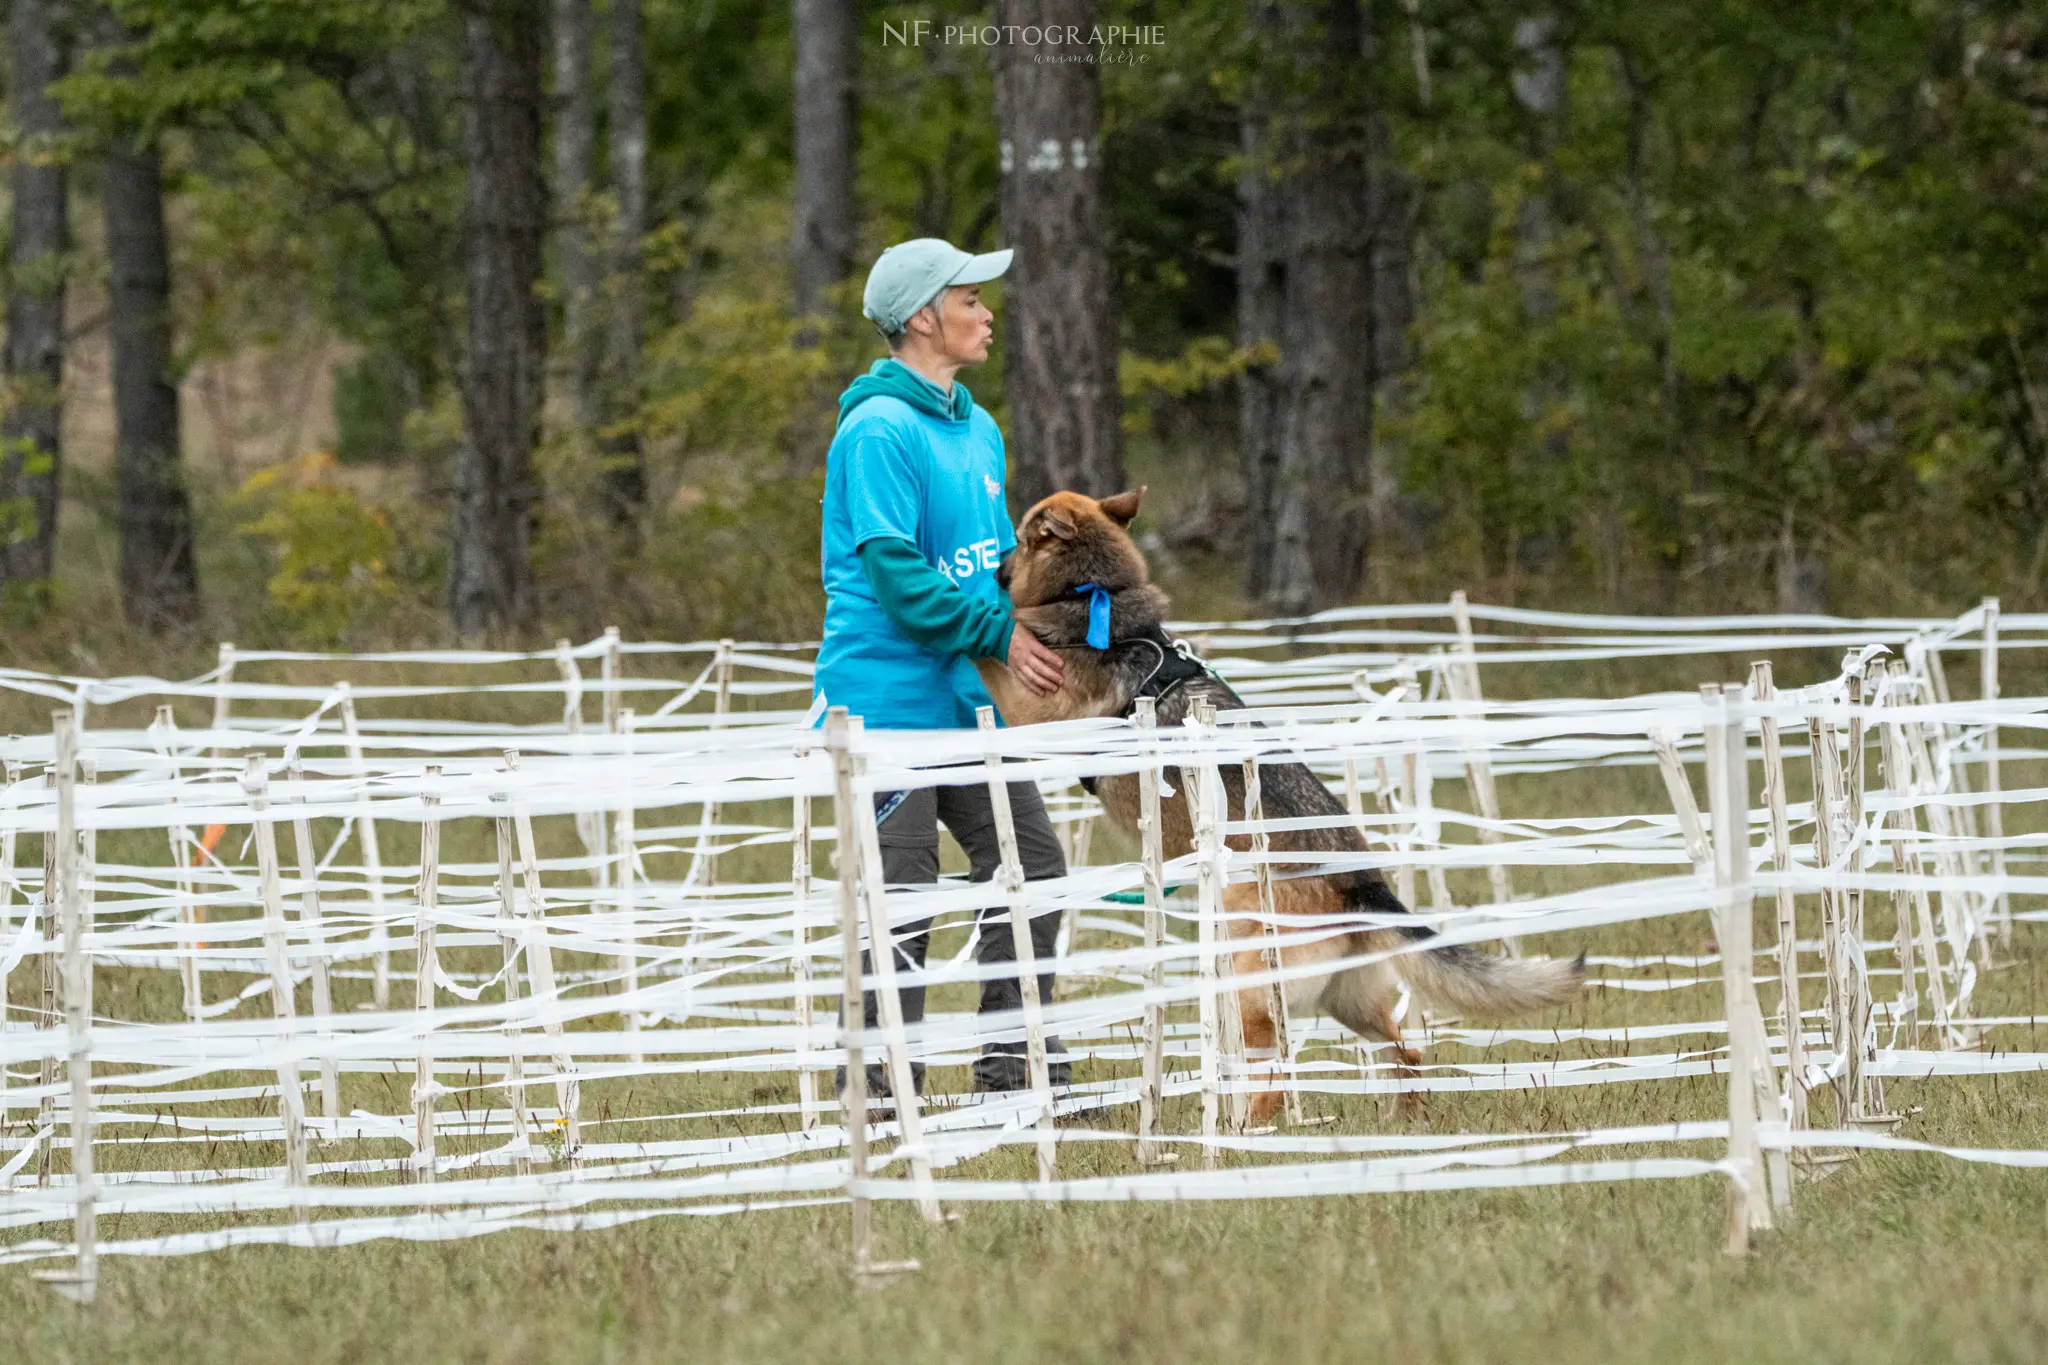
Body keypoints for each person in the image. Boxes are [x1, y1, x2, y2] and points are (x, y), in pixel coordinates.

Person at [813, 237, 1072, 1096]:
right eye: (970, 299)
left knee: (1033, 864)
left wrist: (1074, 626)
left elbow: (998, 566)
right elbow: (899, 580)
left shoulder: (979, 426)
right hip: (884, 699)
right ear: (924, 317)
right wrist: (999, 638)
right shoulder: (877, 429)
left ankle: (1015, 1062)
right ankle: (882, 1085)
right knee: (904, 886)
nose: (987, 312)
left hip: (966, 699)